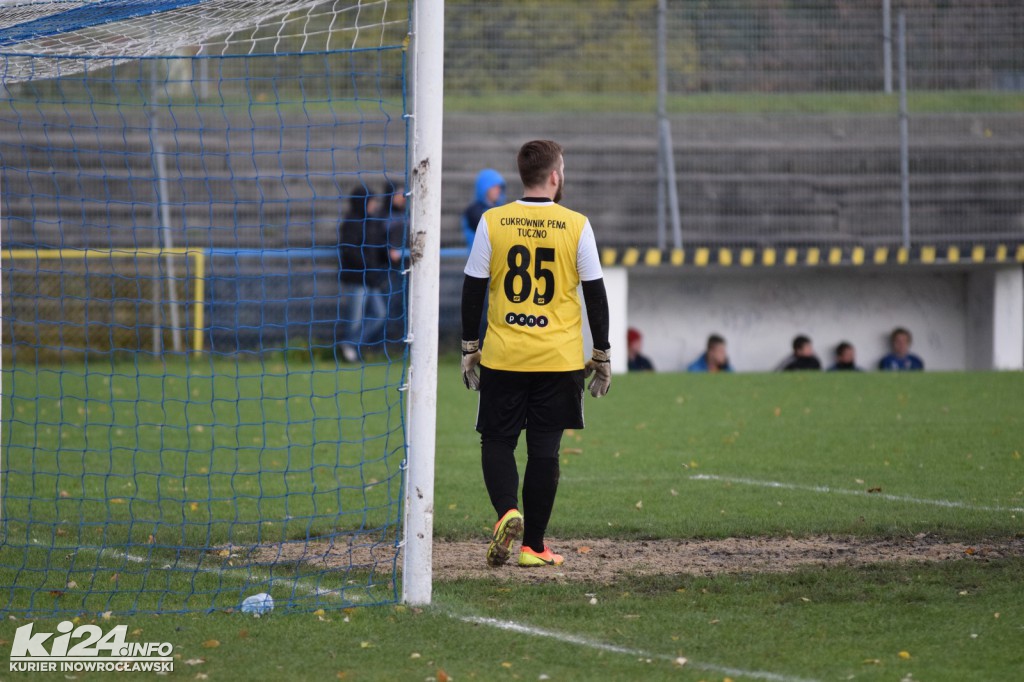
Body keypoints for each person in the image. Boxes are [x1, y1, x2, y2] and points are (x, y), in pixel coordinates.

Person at [460, 140, 610, 569]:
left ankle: (508, 512)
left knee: (497, 440)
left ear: (524, 175)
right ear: (555, 176)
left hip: (505, 355)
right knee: (545, 451)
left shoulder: (493, 221)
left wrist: (471, 347)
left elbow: (472, 288)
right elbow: (595, 296)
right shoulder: (577, 225)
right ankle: (535, 547)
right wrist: (601, 353)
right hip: (559, 360)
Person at [337, 185, 389, 363]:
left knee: (379, 313)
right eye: (371, 201)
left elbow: (378, 247)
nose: (374, 205)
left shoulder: (373, 222)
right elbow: (349, 251)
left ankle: (351, 344)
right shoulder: (351, 223)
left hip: (371, 279)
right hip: (357, 279)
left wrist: (386, 255)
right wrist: (367, 265)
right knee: (355, 318)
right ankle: (349, 348)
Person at [461, 168, 506, 249]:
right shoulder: (473, 211)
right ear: (484, 187)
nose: (498, 190)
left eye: (499, 187)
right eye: (494, 187)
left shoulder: (501, 209)